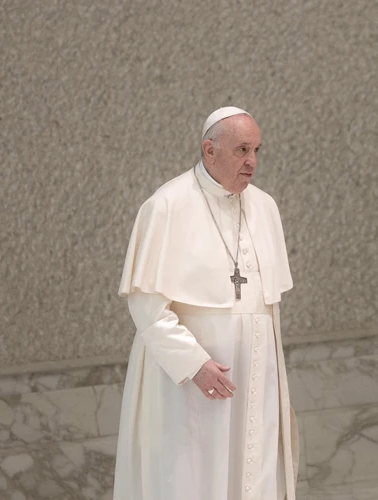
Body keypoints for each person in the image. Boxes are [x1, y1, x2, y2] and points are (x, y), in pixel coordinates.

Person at [113, 106, 299, 499]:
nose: (252, 162)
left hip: (255, 380)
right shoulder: (167, 205)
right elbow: (146, 306)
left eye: (257, 150)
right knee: (192, 477)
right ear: (209, 150)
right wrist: (194, 364)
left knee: (253, 470)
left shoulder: (264, 206)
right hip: (189, 386)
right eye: (242, 150)